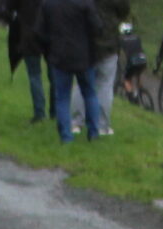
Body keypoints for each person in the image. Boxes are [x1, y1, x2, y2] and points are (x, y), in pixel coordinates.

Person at [38, 0, 104, 142]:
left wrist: (49, 51)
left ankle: (66, 135)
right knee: (90, 94)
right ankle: (93, 132)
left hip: (59, 56)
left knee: (62, 97)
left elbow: (40, 31)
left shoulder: (49, 3)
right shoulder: (85, 3)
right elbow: (98, 28)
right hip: (84, 56)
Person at [91, 0, 132, 136]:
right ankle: (102, 125)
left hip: (89, 42)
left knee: (82, 83)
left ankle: (76, 121)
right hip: (109, 43)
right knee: (105, 85)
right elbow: (124, 10)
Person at [8, 0, 47, 122]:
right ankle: (56, 111)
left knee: (34, 75)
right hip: (49, 36)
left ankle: (40, 112)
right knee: (55, 77)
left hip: (29, 36)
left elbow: (10, 6)